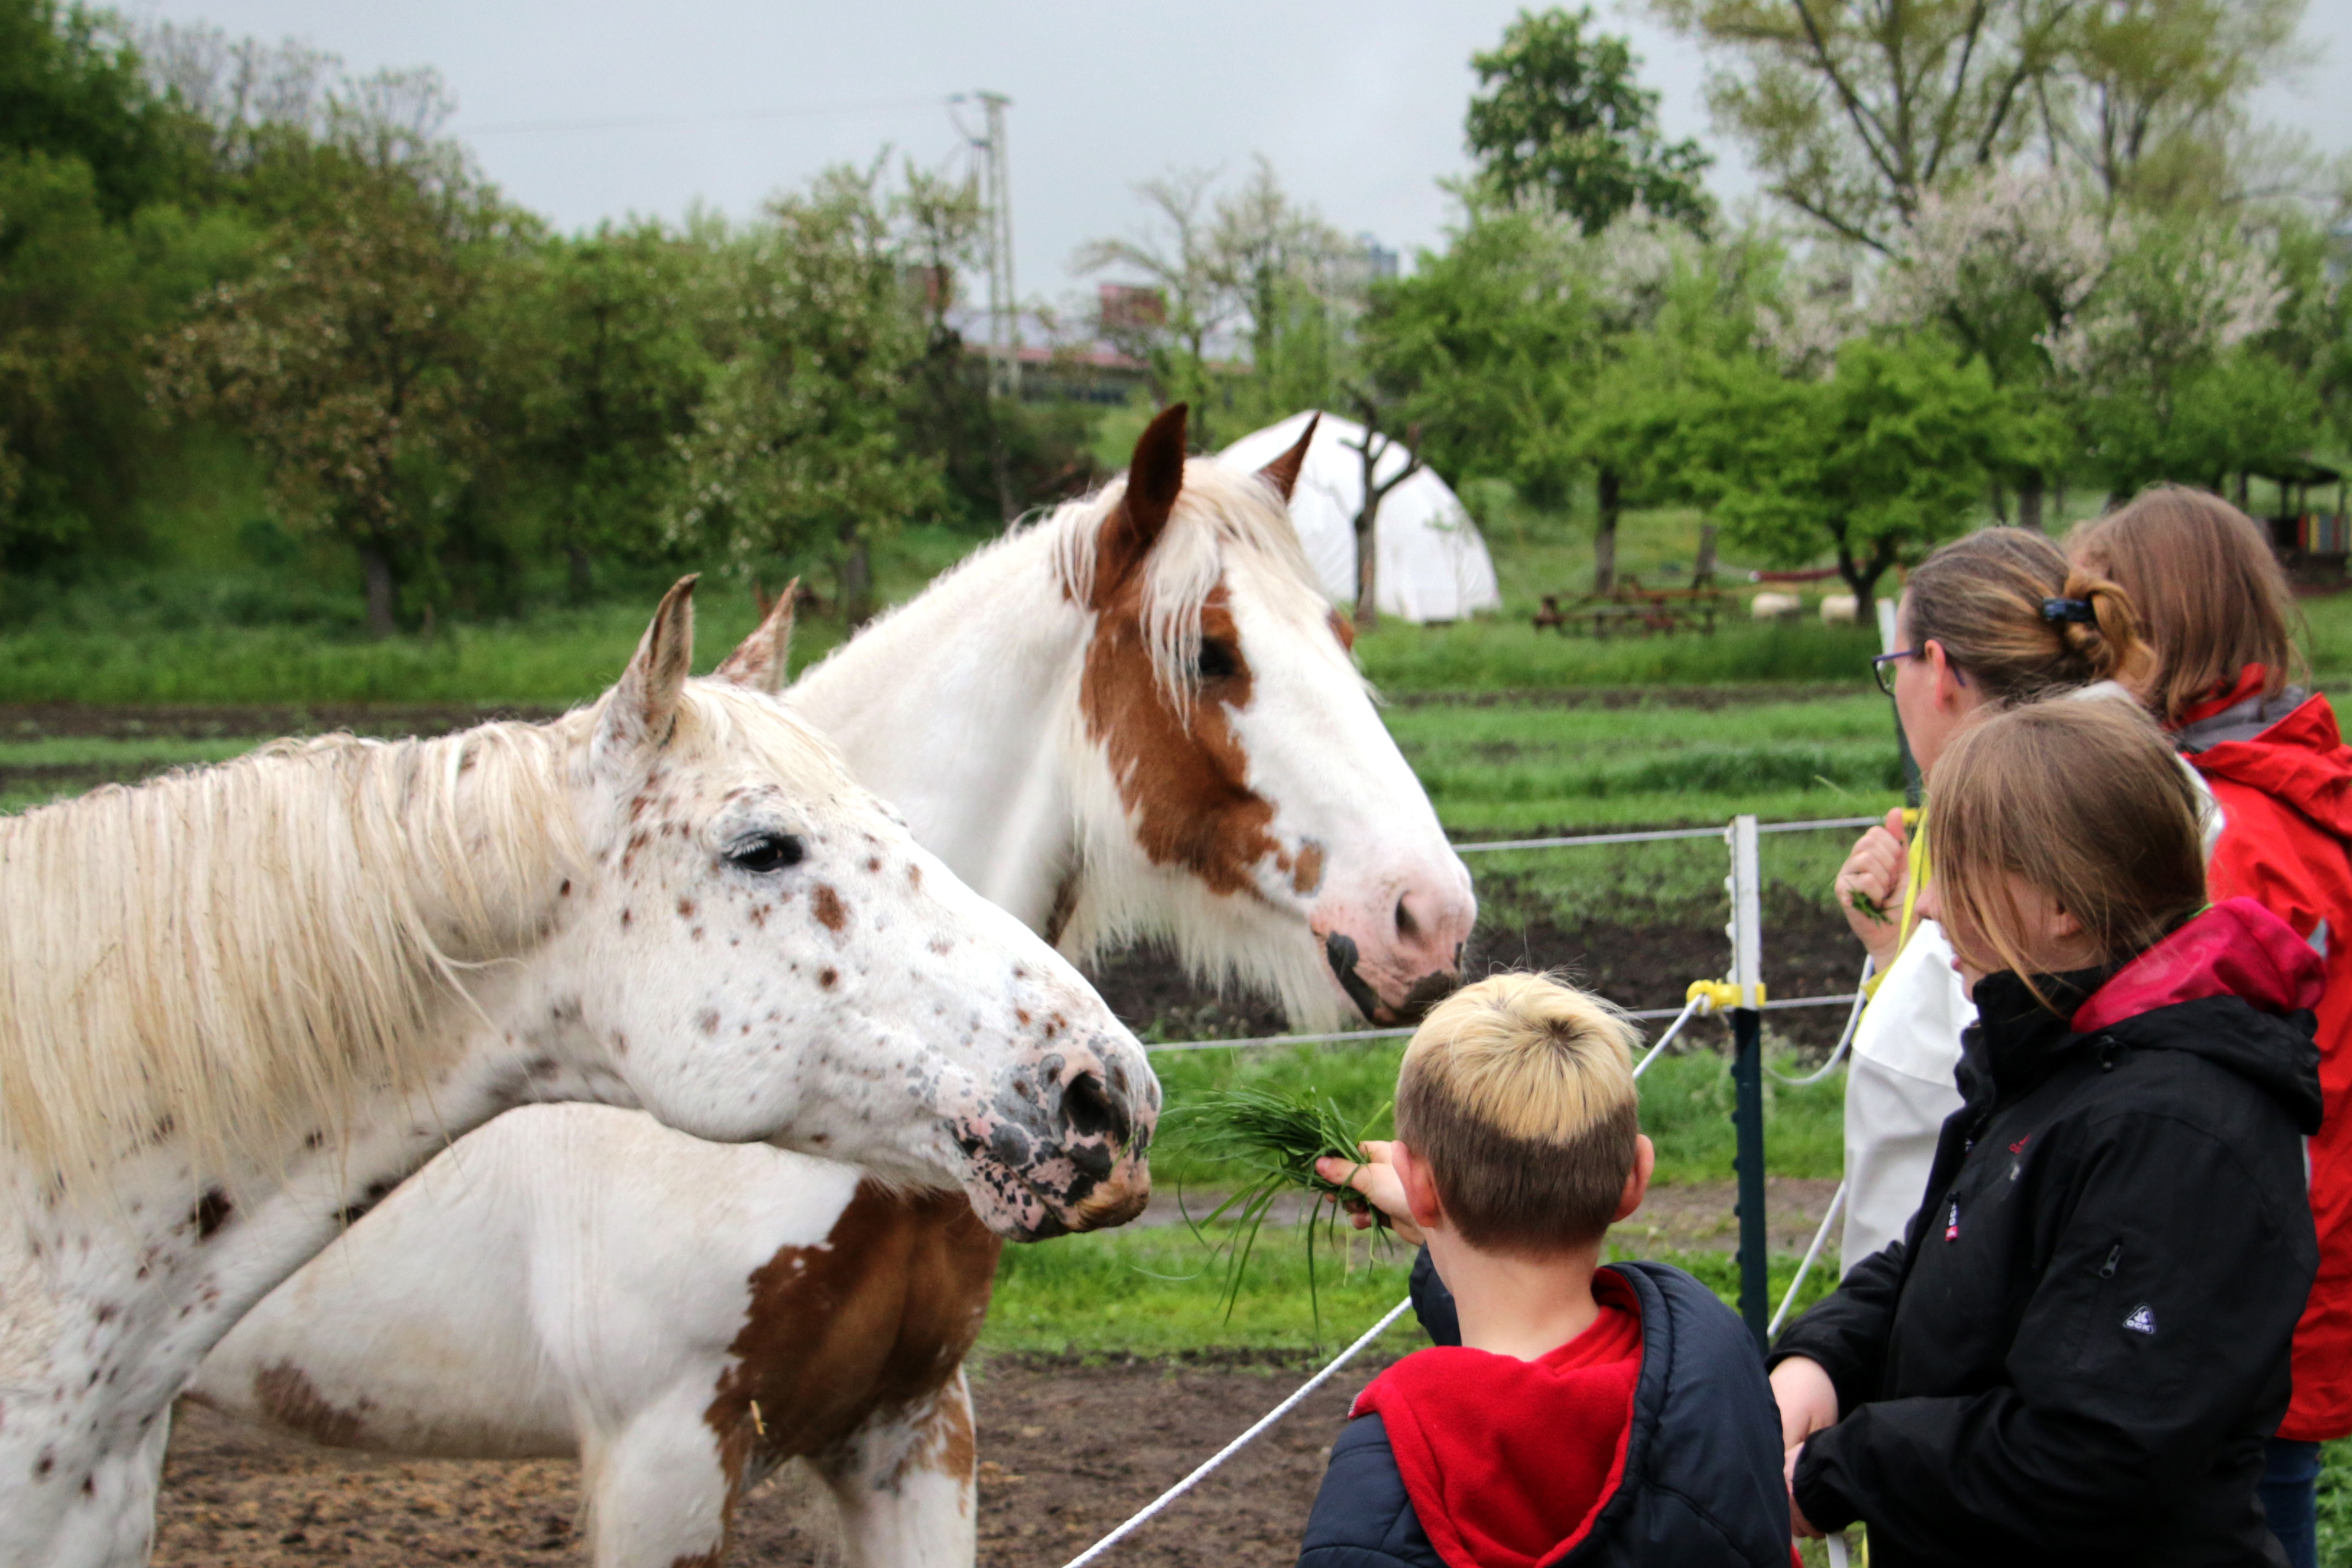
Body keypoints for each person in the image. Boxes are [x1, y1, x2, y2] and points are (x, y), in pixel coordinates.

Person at [1772, 698, 2322, 1567]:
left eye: (1955, 870)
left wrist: (1843, 1469)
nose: (1927, 907)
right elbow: (1946, 1259)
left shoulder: (2174, 1134)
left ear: (2061, 901)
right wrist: (1825, 1359)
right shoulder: (2058, 1060)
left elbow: (2091, 1452)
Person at [2072, 486, 2352, 1568]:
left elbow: (2169, 1064)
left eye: (2093, 621)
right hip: (2300, 1230)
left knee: (2236, 1506)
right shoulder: (2290, 784)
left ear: (2153, 629)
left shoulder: (2221, 827)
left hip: (2236, 1260)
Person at [1301, 973, 1791, 1568]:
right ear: (1635, 1176)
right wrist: (1433, 1218)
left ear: (1418, 1184)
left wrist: (1439, 1210)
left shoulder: (1389, 1470)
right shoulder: (1717, 1383)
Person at [1831, 527, 2166, 1268]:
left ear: (1939, 670)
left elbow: (1934, 1100)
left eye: (1894, 666)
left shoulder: (2005, 848)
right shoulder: (2146, 796)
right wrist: (1891, 954)